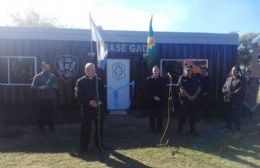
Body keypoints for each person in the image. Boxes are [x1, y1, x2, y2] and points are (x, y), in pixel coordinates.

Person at [75, 63, 105, 153]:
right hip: (86, 108)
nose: (92, 71)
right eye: (90, 69)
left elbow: (103, 93)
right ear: (86, 70)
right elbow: (78, 96)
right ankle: (83, 146)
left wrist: (100, 101)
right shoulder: (80, 81)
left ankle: (99, 145)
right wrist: (89, 102)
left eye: (93, 69)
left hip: (98, 108)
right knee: (85, 128)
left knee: (99, 127)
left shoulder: (99, 81)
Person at [31, 62, 58, 133]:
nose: (48, 68)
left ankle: (51, 127)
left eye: (48, 67)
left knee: (51, 114)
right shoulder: (37, 77)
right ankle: (41, 128)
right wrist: (40, 87)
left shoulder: (53, 76)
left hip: (51, 98)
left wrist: (55, 86)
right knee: (42, 114)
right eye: (46, 67)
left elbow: (56, 86)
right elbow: (33, 87)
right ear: (42, 67)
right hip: (42, 98)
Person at [177, 65, 201, 135]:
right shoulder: (182, 78)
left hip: (194, 100)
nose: (188, 71)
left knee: (193, 115)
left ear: (192, 71)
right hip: (185, 100)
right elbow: (181, 88)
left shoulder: (195, 78)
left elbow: (199, 88)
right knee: (183, 115)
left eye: (189, 70)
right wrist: (189, 96)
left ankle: (192, 129)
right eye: (187, 70)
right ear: (184, 70)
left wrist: (194, 96)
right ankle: (180, 128)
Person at [222, 65, 244, 137]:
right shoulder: (228, 78)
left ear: (237, 71)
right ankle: (228, 128)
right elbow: (224, 87)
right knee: (228, 115)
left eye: (234, 70)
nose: (232, 71)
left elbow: (240, 90)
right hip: (228, 101)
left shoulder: (241, 80)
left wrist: (231, 94)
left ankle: (238, 131)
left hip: (236, 101)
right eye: (232, 70)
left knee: (237, 116)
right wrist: (225, 92)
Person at [145, 66, 165, 133]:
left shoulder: (162, 79)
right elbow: (147, 91)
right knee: (151, 116)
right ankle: (152, 129)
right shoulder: (148, 79)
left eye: (156, 70)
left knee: (160, 116)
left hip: (160, 101)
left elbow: (164, 90)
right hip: (151, 101)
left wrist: (159, 97)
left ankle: (159, 129)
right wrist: (153, 97)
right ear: (152, 71)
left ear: (159, 71)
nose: (155, 71)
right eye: (154, 70)